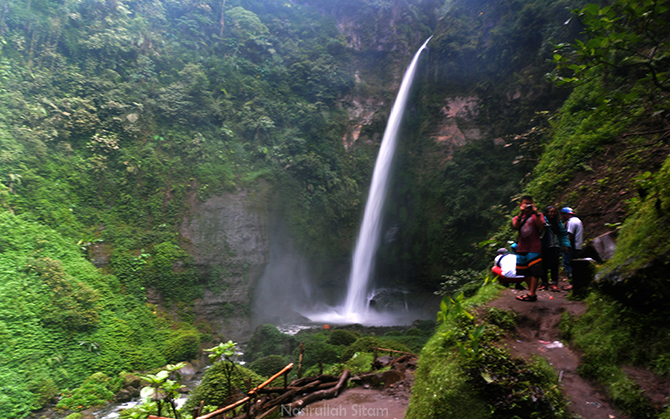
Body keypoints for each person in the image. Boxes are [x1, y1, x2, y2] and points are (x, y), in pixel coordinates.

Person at [512, 195, 544, 302]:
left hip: (534, 247)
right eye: (525, 203)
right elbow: (516, 226)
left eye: (530, 203)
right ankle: (532, 292)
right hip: (521, 247)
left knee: (535, 271)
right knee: (524, 272)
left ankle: (532, 293)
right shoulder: (518, 217)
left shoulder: (538, 216)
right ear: (520, 204)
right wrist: (521, 213)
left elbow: (541, 227)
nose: (528, 205)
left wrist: (537, 213)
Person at [539, 205, 570, 292]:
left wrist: (566, 244)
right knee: (544, 265)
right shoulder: (542, 221)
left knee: (554, 264)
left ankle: (554, 283)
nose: (552, 214)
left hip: (555, 246)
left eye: (554, 212)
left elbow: (563, 234)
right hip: (544, 246)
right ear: (547, 213)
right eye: (550, 212)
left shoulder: (558, 223)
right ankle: (544, 282)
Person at [561, 207, 583, 290]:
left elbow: (570, 234)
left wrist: (566, 245)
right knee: (573, 264)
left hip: (572, 246)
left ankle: (571, 284)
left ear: (565, 214)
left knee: (568, 264)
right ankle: (574, 283)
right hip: (578, 246)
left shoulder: (571, 222)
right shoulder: (577, 220)